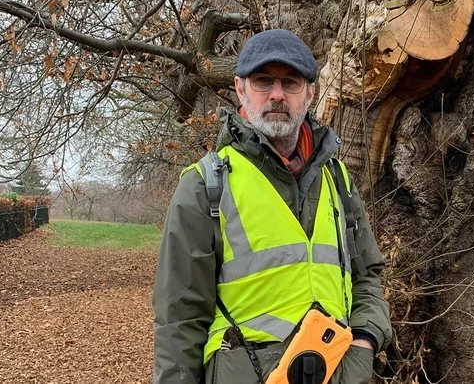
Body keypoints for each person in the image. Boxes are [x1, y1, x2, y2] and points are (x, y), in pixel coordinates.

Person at [152, 29, 392, 384]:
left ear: (310, 93)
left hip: (338, 373)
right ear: (240, 88)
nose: (277, 94)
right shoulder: (206, 185)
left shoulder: (337, 179)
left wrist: (364, 342)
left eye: (290, 82)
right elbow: (178, 319)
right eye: (263, 80)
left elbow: (367, 277)